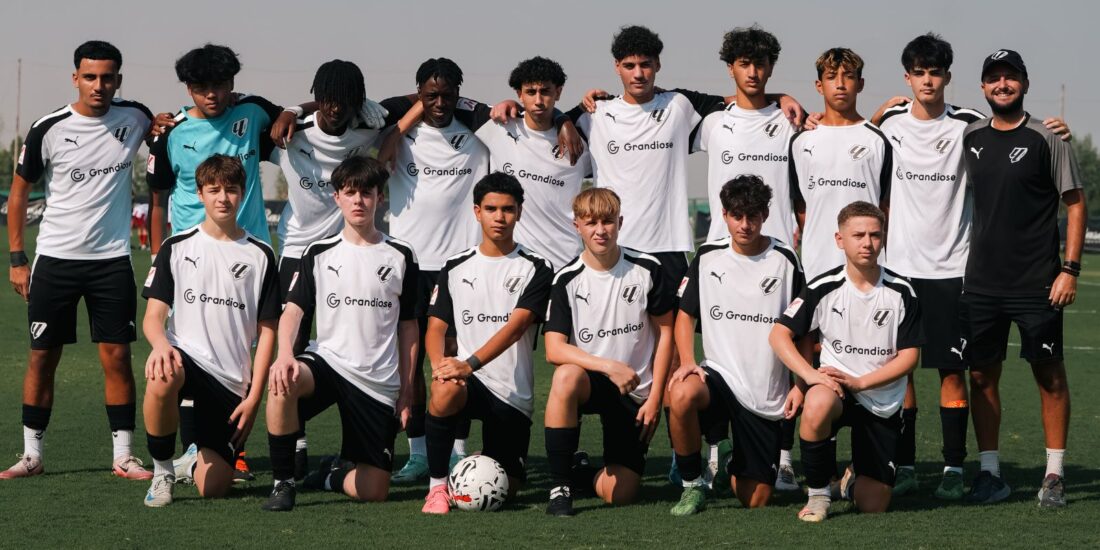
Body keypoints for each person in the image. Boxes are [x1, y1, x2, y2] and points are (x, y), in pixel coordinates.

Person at [2, 41, 154, 481]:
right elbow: (17, 195)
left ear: (118, 81)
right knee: (41, 358)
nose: (99, 85)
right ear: (75, 78)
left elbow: (172, 125)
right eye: (90, 76)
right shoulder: (48, 127)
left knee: (118, 357)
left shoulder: (136, 118)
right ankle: (32, 454)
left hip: (111, 262)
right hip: (55, 260)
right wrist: (17, 257)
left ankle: (123, 455)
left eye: (107, 77)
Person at [269, 60, 419, 479]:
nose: (335, 109)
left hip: (354, 247)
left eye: (345, 101)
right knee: (294, 346)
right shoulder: (289, 132)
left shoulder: (369, 122)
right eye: (327, 99)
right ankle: (295, 448)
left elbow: (425, 95)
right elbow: (248, 110)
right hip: (300, 249)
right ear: (316, 97)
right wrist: (292, 111)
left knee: (365, 329)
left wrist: (388, 122)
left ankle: (372, 434)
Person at [959, 49, 1085, 508]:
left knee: (1049, 376)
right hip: (981, 283)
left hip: (1038, 283)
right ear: (983, 87)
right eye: (993, 78)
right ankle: (990, 473)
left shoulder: (1048, 137)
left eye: (1010, 77)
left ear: (1025, 84)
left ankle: (1054, 473)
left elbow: (1074, 202)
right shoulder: (969, 134)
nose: (1002, 84)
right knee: (981, 376)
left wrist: (1069, 269)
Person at [261, 156, 418, 511]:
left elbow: (409, 327)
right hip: (328, 362)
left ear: (380, 197)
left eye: (367, 192)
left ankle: (331, 475)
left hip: (376, 380)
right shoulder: (318, 252)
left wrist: (407, 390)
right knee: (283, 380)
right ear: (337, 198)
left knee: (375, 490)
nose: (359, 200)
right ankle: (283, 482)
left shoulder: (401, 255)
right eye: (350, 193)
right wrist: (285, 354)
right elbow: (293, 312)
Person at [691, 24, 802, 491]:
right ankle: (715, 451)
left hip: (779, 257)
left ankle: (783, 457)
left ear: (771, 67)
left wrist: (787, 97)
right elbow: (657, 105)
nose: (753, 72)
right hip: (723, 256)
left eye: (761, 64)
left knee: (781, 359)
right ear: (730, 68)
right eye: (744, 64)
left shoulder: (793, 119)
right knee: (719, 356)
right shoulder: (711, 122)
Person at [139, 155, 279, 506]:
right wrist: (160, 346)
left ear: (243, 194)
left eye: (231, 190)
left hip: (231, 380)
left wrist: (254, 395)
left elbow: (268, 334)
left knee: (214, 487)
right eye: (213, 189)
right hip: (183, 356)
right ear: (199, 193)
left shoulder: (261, 255)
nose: (223, 198)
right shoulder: (176, 246)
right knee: (162, 373)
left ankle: (193, 461)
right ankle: (162, 472)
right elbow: (153, 317)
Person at [770, 201, 923, 522]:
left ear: (884, 238)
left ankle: (850, 483)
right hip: (835, 390)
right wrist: (808, 377)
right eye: (858, 235)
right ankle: (818, 496)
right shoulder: (821, 287)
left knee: (874, 504)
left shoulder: (902, 290)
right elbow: (779, 336)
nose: (867, 243)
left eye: (875, 235)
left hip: (880, 397)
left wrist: (861, 382)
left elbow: (910, 357)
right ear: (840, 240)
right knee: (816, 403)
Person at [667, 175, 807, 516]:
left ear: (765, 215)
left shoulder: (785, 259)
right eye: (737, 216)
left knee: (755, 498)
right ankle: (691, 485)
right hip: (717, 375)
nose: (745, 225)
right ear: (725, 214)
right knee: (683, 392)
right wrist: (687, 360)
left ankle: (730, 456)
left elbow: (803, 331)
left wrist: (801, 384)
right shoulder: (708, 255)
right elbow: (684, 315)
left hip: (763, 393)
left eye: (753, 216)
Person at [420, 172, 554, 514]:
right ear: (477, 211)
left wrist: (469, 363)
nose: (500, 217)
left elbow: (516, 326)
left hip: (511, 392)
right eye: (491, 208)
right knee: (446, 388)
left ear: (519, 212)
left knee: (506, 492)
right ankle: (436, 489)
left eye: (508, 209)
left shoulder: (537, 267)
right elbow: (435, 328)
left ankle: (478, 461)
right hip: (468, 381)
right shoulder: (455, 266)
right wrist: (440, 367)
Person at [384, 58, 490, 483]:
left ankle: (457, 452)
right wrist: (410, 114)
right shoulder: (397, 133)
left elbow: (511, 112)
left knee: (452, 359)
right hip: (410, 264)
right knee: (409, 363)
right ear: (417, 94)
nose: (440, 103)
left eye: (448, 95)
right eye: (431, 95)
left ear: (459, 93)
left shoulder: (479, 133)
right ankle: (420, 453)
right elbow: (365, 121)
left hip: (459, 266)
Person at [542, 188, 675, 516]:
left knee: (622, 494)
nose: (600, 230)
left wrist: (656, 397)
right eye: (591, 223)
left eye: (607, 221)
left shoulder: (648, 268)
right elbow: (554, 349)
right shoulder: (566, 280)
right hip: (594, 381)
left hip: (636, 392)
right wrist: (607, 367)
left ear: (620, 223)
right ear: (577, 226)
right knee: (565, 376)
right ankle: (560, 487)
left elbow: (667, 332)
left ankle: (579, 471)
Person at [147, 43, 286, 246]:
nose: (211, 95)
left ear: (231, 83)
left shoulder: (253, 110)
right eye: (201, 88)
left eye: (219, 85)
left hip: (251, 249)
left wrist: (292, 112)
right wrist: (156, 260)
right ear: (189, 89)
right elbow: (158, 204)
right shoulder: (168, 132)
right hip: (191, 253)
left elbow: (294, 120)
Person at [789, 48, 891, 282]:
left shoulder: (877, 139)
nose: (841, 84)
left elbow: (885, 205)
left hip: (868, 264)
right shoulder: (801, 141)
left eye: (849, 76)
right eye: (832, 76)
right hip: (817, 263)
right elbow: (801, 206)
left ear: (861, 83)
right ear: (819, 85)